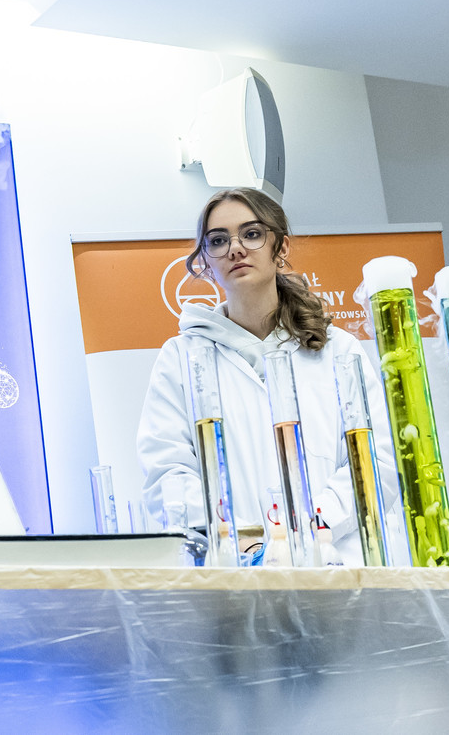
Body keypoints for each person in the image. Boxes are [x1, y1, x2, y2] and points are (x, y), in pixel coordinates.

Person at [137, 187, 396, 563]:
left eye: (252, 233)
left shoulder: (338, 350)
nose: (235, 249)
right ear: (205, 261)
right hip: (237, 571)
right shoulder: (181, 358)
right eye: (218, 240)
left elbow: (377, 460)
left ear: (281, 247)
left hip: (336, 565)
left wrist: (311, 530)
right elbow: (167, 473)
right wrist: (248, 543)